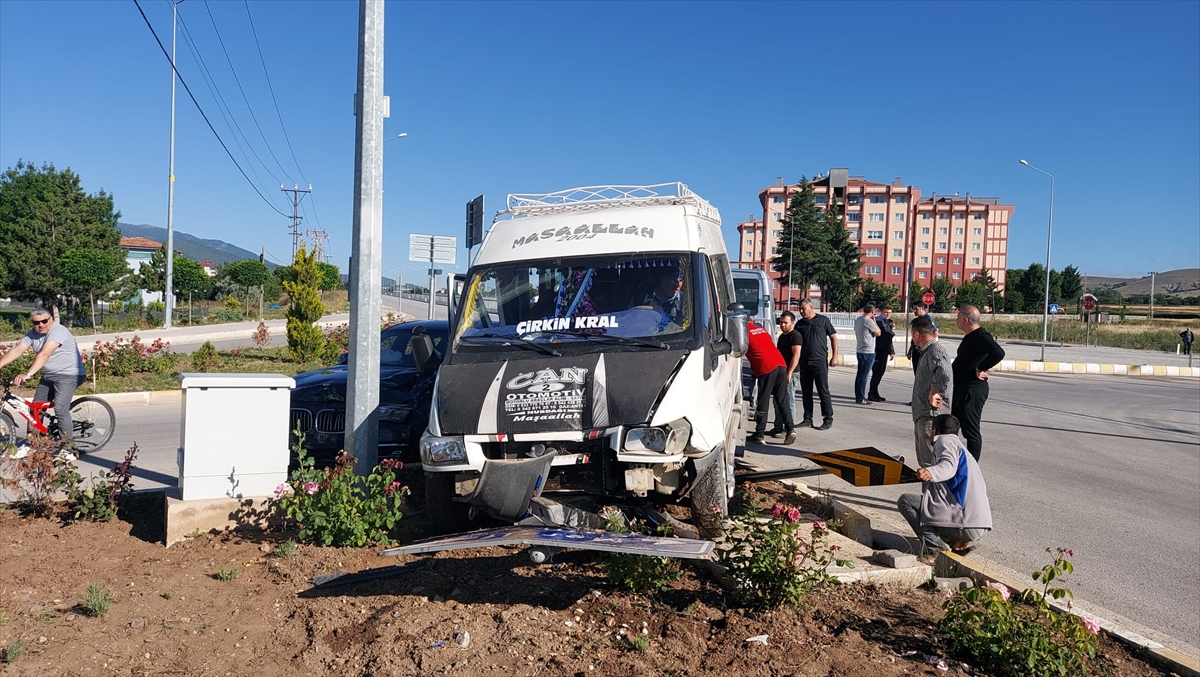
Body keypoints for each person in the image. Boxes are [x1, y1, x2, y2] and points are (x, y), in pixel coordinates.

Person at [897, 414, 992, 556]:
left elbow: (948, 466)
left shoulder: (944, 441)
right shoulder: (959, 447)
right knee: (928, 504)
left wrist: (931, 472)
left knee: (906, 501)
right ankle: (956, 544)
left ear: (934, 431)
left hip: (967, 522)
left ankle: (937, 551)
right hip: (978, 522)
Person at [0, 309, 87, 454]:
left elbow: (45, 353)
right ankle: (33, 444)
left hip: (69, 375)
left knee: (60, 409)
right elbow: (17, 351)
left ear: (51, 319)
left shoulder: (58, 331)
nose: (40, 325)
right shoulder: (33, 334)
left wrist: (28, 374)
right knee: (35, 407)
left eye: (44, 321)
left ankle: (67, 450)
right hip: (49, 375)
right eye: (36, 322)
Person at [951, 305, 1005, 462]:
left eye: (958, 317)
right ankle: (953, 462)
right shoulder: (971, 336)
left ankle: (972, 468)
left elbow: (999, 352)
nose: (957, 320)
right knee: (951, 426)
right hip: (962, 387)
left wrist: (980, 368)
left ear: (965, 319)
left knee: (971, 431)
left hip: (972, 390)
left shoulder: (981, 336)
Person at [909, 315, 952, 468]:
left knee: (930, 463)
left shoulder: (935, 350)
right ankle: (930, 492)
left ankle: (933, 492)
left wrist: (935, 390)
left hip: (930, 416)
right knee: (926, 460)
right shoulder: (928, 351)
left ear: (916, 334)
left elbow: (945, 373)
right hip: (924, 414)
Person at [745, 320, 796, 445]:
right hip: (780, 364)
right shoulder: (762, 330)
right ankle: (790, 429)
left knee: (763, 400)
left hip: (766, 367)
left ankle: (759, 434)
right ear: (751, 320)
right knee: (782, 400)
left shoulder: (743, 332)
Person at [794, 299, 838, 430]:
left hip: (819, 361)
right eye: (800, 309)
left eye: (803, 308)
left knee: (823, 390)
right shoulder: (800, 324)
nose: (801, 311)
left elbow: (833, 338)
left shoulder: (823, 320)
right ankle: (808, 418)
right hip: (804, 361)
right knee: (806, 391)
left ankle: (828, 418)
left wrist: (834, 356)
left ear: (811, 307)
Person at [770, 310, 802, 437]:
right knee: (778, 400)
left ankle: (789, 429)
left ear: (792, 323)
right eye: (781, 322)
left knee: (788, 400)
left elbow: (796, 355)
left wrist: (789, 372)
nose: (782, 325)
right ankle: (778, 427)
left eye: (785, 323)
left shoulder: (795, 336)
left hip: (791, 373)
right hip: (781, 372)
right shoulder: (783, 336)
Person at [633, 262, 686, 327]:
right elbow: (630, 319)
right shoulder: (642, 298)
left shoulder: (688, 302)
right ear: (663, 279)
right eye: (674, 279)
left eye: (681, 280)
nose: (677, 285)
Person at [853, 303, 881, 405]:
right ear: (873, 311)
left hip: (860, 350)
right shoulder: (868, 321)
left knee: (860, 374)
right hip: (868, 351)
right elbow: (878, 332)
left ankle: (858, 396)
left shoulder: (859, 320)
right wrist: (874, 321)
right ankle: (861, 397)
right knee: (864, 376)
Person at [868, 306, 895, 402]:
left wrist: (892, 351)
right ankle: (872, 393)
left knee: (880, 373)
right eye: (886, 312)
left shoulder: (889, 322)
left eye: (890, 312)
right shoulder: (878, 321)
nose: (888, 314)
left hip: (885, 350)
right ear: (882, 312)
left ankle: (875, 393)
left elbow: (889, 338)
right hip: (878, 350)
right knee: (877, 372)